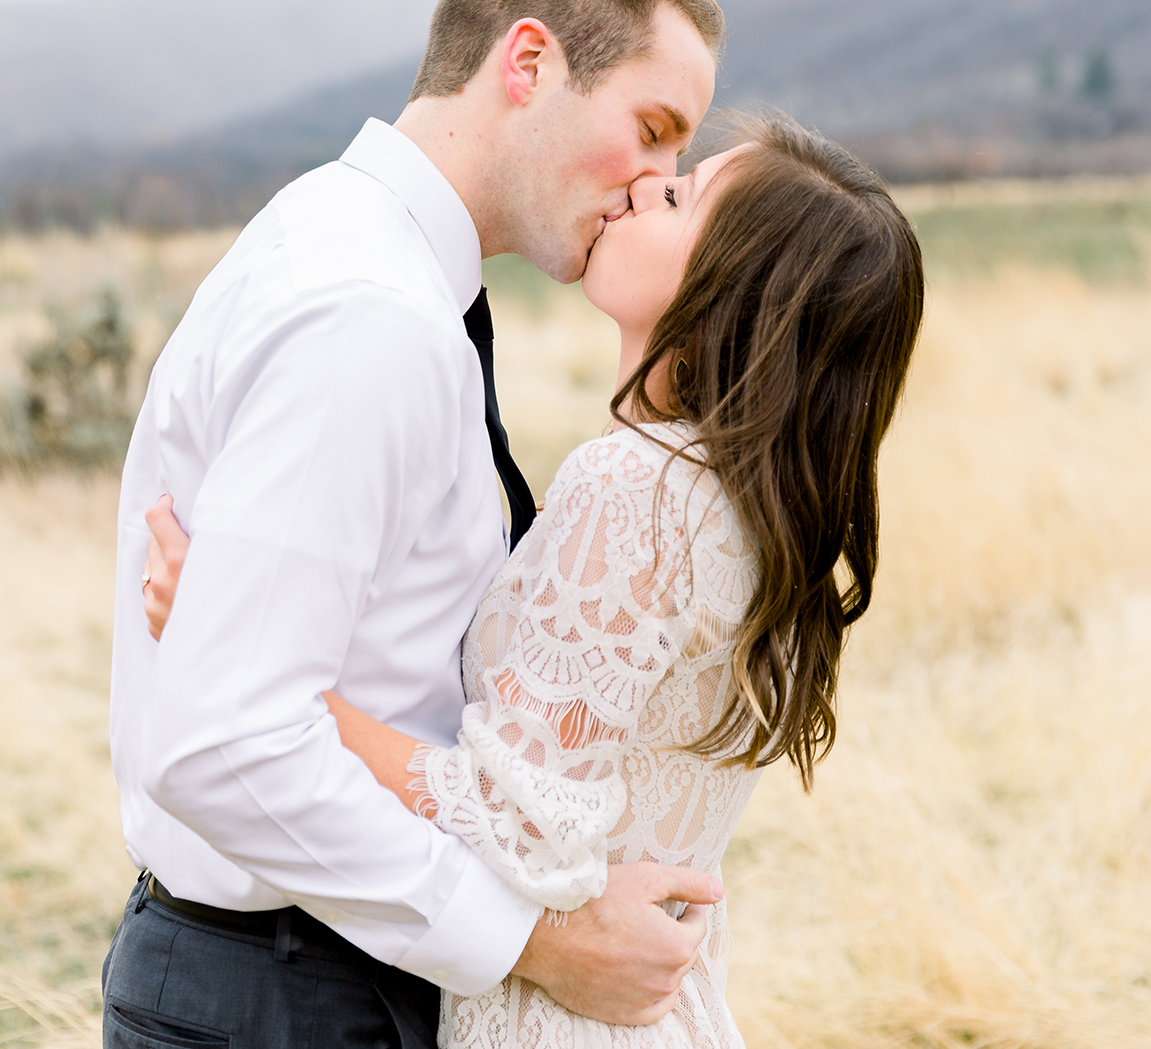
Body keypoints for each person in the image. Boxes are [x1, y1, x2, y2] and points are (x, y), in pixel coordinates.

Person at [141, 117, 927, 1046]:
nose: (644, 184)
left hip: (562, 1015)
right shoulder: (746, 508)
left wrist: (238, 641)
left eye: (679, 196)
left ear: (734, 294)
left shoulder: (638, 488)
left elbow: (514, 818)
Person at [106, 0, 729, 1049]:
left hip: (316, 975)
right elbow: (225, 739)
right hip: (286, 993)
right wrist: (536, 942)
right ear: (529, 63)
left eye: (680, 157)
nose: (657, 182)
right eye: (652, 128)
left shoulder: (377, 266)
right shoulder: (369, 315)